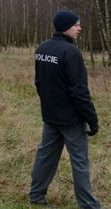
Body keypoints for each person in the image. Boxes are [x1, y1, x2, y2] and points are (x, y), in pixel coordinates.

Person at [29, 11, 101, 208]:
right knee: (80, 162)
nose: (79, 28)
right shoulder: (71, 53)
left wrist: (50, 105)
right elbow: (79, 92)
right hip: (71, 120)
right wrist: (92, 120)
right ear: (65, 26)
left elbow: (38, 83)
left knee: (45, 156)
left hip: (51, 116)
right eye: (76, 25)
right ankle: (89, 205)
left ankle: (36, 196)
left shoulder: (42, 48)